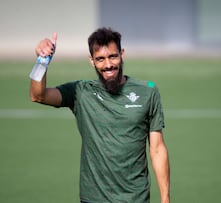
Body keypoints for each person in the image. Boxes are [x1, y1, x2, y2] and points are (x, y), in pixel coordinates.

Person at [29, 27, 170, 203]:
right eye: (100, 59)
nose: (108, 64)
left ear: (122, 54)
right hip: (93, 198)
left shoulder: (147, 91)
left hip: (135, 198)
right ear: (92, 61)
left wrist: (165, 198)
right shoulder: (80, 92)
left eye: (113, 56)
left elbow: (157, 149)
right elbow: (37, 95)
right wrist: (42, 61)